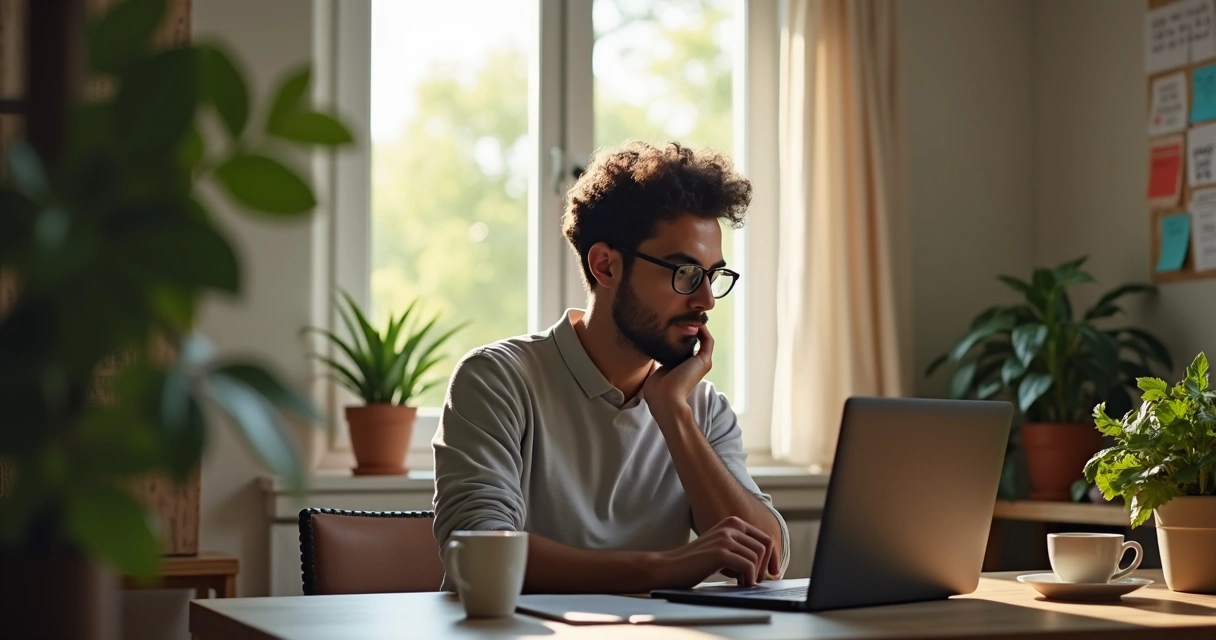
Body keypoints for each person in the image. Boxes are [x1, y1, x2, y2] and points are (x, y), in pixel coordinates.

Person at [432, 140, 789, 594]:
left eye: (713, 275)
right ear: (605, 266)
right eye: (684, 274)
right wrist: (663, 569)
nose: (705, 301)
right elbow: (482, 553)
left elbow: (769, 558)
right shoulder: (496, 379)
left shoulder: (698, 408)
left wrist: (673, 413)